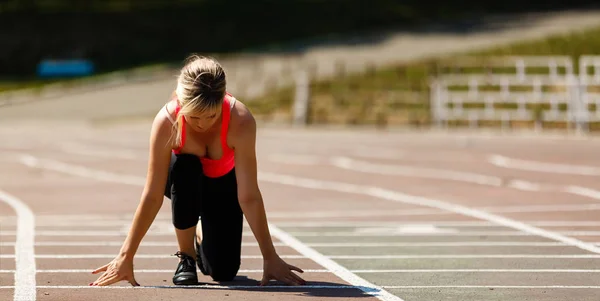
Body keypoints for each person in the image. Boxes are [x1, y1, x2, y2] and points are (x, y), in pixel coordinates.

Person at [89, 54, 306, 287]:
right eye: (194, 116)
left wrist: (270, 256)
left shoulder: (241, 121)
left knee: (224, 271)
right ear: (181, 104)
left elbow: (249, 195)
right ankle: (186, 257)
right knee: (186, 167)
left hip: (222, 185)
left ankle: (200, 230)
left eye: (212, 115)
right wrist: (125, 256)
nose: (203, 124)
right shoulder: (167, 121)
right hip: (182, 182)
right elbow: (152, 195)